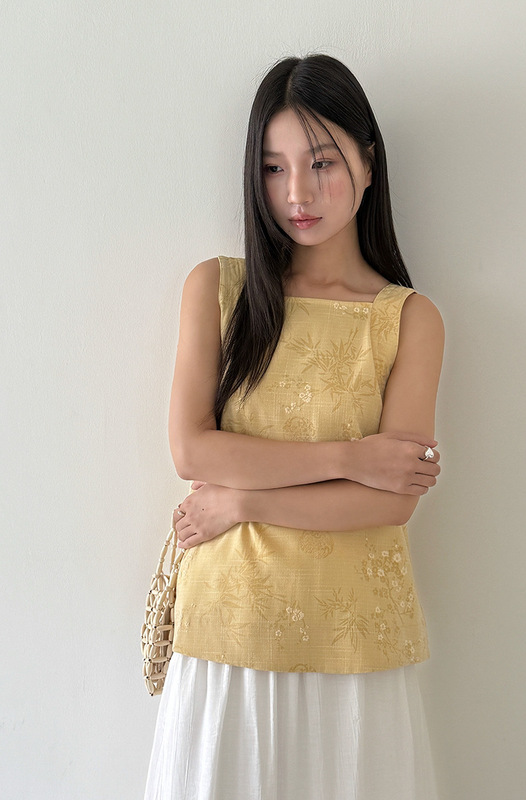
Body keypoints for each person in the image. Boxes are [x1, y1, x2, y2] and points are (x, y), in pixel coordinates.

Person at [145, 53, 445, 800]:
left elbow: (392, 502)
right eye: (274, 169)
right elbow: (193, 449)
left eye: (321, 162)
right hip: (229, 629)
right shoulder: (218, 290)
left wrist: (244, 500)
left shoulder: (408, 318)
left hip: (358, 641)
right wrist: (352, 457)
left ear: (368, 164)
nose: (297, 194)